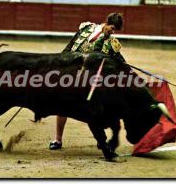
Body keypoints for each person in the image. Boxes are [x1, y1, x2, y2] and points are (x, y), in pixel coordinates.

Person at [49, 13, 125, 150]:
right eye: (112, 28)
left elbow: (120, 61)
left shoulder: (112, 43)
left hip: (89, 81)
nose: (112, 32)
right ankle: (58, 140)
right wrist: (57, 62)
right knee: (63, 106)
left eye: (114, 30)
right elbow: (70, 46)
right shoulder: (86, 28)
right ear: (106, 23)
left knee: (96, 108)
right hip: (72, 76)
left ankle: (100, 139)